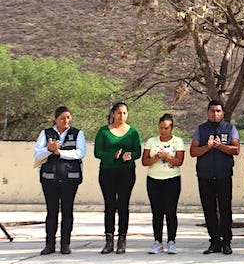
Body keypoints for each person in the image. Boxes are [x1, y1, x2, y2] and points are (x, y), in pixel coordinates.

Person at [33, 106, 86, 255]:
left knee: (67, 211)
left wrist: (59, 152)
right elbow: (37, 154)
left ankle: (65, 244)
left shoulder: (77, 133)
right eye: (62, 118)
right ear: (55, 119)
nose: (66, 121)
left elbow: (80, 152)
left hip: (70, 178)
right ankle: (50, 244)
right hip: (49, 178)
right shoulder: (46, 133)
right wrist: (49, 149)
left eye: (68, 117)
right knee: (52, 212)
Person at [190, 100, 240, 255]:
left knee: (225, 209)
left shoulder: (230, 128)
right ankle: (214, 242)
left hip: (223, 175)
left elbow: (236, 149)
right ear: (207, 112)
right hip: (205, 176)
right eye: (212, 111)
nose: (215, 113)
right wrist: (207, 147)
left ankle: (226, 241)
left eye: (218, 111)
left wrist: (220, 146)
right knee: (208, 209)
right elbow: (193, 151)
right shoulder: (201, 129)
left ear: (223, 113)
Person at [94, 101, 141, 254]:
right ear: (113, 114)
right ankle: (109, 240)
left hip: (126, 172)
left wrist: (130, 156)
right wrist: (112, 156)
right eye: (119, 113)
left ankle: (122, 239)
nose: (122, 116)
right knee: (109, 205)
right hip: (107, 172)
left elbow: (138, 152)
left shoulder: (133, 132)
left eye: (125, 113)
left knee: (123, 205)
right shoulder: (103, 131)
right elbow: (97, 152)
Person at [141, 114, 184, 254]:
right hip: (154, 180)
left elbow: (179, 162)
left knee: (171, 212)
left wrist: (166, 156)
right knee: (157, 212)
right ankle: (157, 241)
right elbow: (144, 161)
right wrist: (156, 157)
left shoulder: (178, 142)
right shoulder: (151, 141)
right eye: (161, 128)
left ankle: (171, 241)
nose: (163, 131)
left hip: (172, 180)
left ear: (171, 128)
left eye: (166, 128)